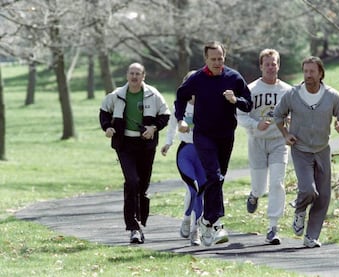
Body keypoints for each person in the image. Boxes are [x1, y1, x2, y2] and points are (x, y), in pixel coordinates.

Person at [174, 41, 253, 246]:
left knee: (218, 179)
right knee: (213, 175)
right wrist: (180, 118)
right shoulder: (197, 79)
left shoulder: (234, 77)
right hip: (203, 135)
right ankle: (215, 221)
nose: (217, 63)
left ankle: (205, 222)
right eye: (213, 59)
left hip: (226, 136)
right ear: (206, 59)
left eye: (220, 59)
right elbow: (180, 97)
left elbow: (249, 103)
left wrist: (236, 100)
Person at [273, 56, 339, 248]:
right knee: (308, 189)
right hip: (300, 149)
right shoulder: (293, 94)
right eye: (305, 71)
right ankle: (300, 210)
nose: (308, 75)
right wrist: (285, 134)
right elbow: (278, 114)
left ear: (320, 73)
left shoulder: (332, 95)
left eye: (312, 71)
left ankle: (311, 236)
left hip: (322, 149)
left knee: (323, 196)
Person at [99, 62, 170, 244]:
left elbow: (165, 115)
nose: (134, 76)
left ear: (143, 76)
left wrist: (153, 127)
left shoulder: (153, 94)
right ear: (127, 75)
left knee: (142, 186)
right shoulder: (117, 95)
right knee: (132, 181)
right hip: (125, 144)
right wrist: (107, 127)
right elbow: (104, 112)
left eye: (138, 73)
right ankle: (133, 227)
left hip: (146, 145)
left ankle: (141, 219)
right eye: (131, 73)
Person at [238, 49, 292, 245]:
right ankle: (254, 195)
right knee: (260, 187)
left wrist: (290, 123)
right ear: (261, 66)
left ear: (278, 65)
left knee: (277, 182)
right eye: (267, 64)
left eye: (274, 63)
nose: (271, 67)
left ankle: (273, 226)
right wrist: (255, 125)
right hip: (257, 141)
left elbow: (295, 114)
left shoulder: (287, 91)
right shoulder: (251, 90)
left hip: (279, 141)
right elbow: (241, 115)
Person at [160, 71, 205, 246]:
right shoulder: (180, 106)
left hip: (203, 153)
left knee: (200, 192)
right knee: (193, 189)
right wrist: (168, 143)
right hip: (185, 152)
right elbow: (172, 125)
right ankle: (189, 221)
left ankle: (195, 228)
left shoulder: (206, 105)